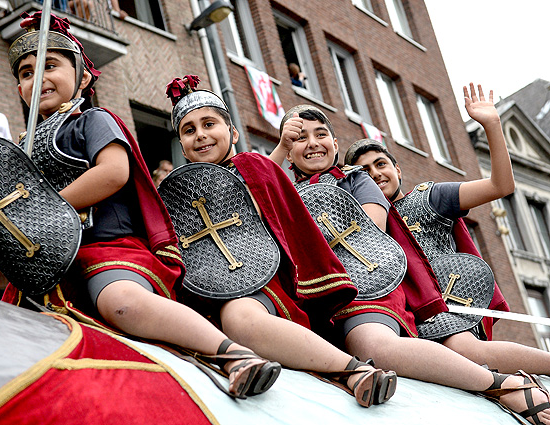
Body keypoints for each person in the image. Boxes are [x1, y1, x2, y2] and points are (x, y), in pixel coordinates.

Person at [0, 12, 281, 399]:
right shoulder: (23, 146)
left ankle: (232, 354)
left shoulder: (93, 120)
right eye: (27, 73)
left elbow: (113, 172)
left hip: (108, 249)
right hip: (51, 263)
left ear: (82, 79)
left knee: (121, 303)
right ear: (19, 88)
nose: (38, 78)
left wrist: (47, 208)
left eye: (49, 66)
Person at [271, 101, 550, 425]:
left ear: (398, 169)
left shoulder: (417, 196)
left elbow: (367, 235)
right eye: (300, 137)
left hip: (410, 298)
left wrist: (491, 125)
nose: (375, 174)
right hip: (349, 300)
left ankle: (508, 385)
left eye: (380, 164)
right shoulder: (288, 190)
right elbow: (256, 189)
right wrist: (280, 151)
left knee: (462, 349)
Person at [163, 74, 398, 408]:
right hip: (208, 290)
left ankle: (353, 371)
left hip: (262, 282)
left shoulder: (251, 165)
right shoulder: (180, 193)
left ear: (233, 133)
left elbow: (263, 194)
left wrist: (281, 149)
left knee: (240, 318)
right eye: (189, 130)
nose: (200, 134)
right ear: (181, 144)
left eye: (209, 124)